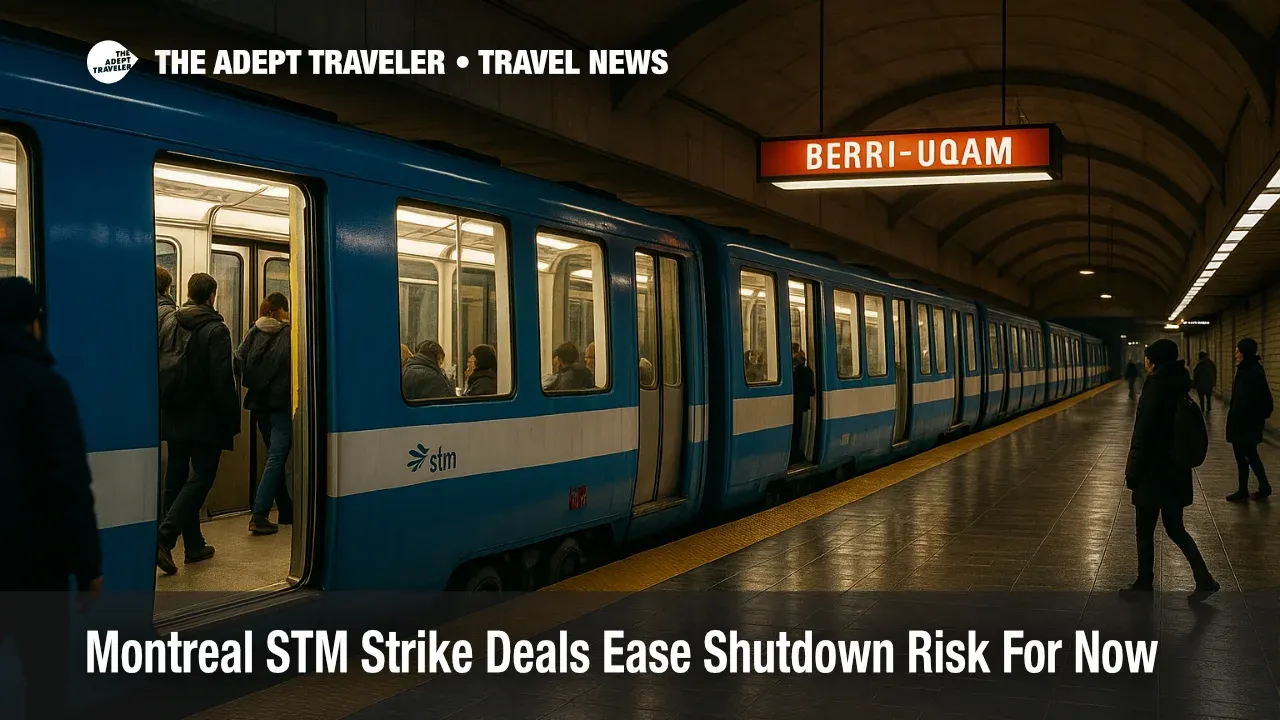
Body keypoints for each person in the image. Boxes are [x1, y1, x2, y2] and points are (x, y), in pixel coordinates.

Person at [0, 276, 103, 719]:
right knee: (45, 677)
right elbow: (67, 485)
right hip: (33, 564)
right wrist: (87, 567)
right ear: (34, 325)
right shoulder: (44, 387)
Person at [156, 272, 240, 575]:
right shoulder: (216, 329)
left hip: (175, 411)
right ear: (211, 296)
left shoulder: (170, 321)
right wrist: (231, 418)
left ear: (189, 293)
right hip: (205, 417)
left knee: (176, 478)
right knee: (202, 476)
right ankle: (164, 537)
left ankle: (193, 544)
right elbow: (221, 381)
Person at [1122, 339, 1218, 594]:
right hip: (1175, 471)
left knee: (1144, 531)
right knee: (1176, 528)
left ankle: (1144, 582)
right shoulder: (1180, 385)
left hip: (1153, 472)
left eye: (1147, 356)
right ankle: (1204, 577)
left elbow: (1143, 434)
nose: (1145, 361)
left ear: (1154, 361)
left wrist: (1132, 471)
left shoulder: (1154, 388)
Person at [235, 293, 294, 535]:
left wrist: (255, 383)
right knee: (277, 458)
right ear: (281, 309)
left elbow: (238, 359)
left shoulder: (254, 329)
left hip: (259, 406)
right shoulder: (290, 333)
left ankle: (287, 510)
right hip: (280, 404)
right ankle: (259, 514)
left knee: (274, 456)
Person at [1226, 337, 1272, 502]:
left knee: (1249, 456)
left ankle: (1262, 487)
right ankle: (1245, 489)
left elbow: (1259, 400)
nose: (1235, 354)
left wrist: (1250, 418)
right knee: (1244, 457)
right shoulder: (1247, 370)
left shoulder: (1251, 373)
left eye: (1238, 351)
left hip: (1246, 424)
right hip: (1243, 423)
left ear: (1244, 352)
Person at [791, 342, 815, 462]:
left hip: (795, 405)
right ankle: (795, 453)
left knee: (795, 430)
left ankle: (794, 453)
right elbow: (811, 390)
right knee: (797, 430)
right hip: (799, 405)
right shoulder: (806, 371)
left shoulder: (796, 371)